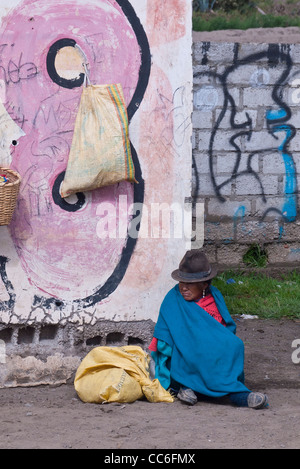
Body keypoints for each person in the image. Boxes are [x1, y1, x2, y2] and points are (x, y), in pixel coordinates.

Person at [149, 249, 268, 409]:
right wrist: (190, 343)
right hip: (183, 359)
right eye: (181, 282)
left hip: (212, 356)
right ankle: (192, 387)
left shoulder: (215, 297)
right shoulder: (173, 300)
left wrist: (211, 342)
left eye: (190, 284)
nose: (183, 288)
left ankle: (235, 392)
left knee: (235, 345)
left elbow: (225, 330)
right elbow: (162, 340)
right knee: (193, 352)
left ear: (204, 284)